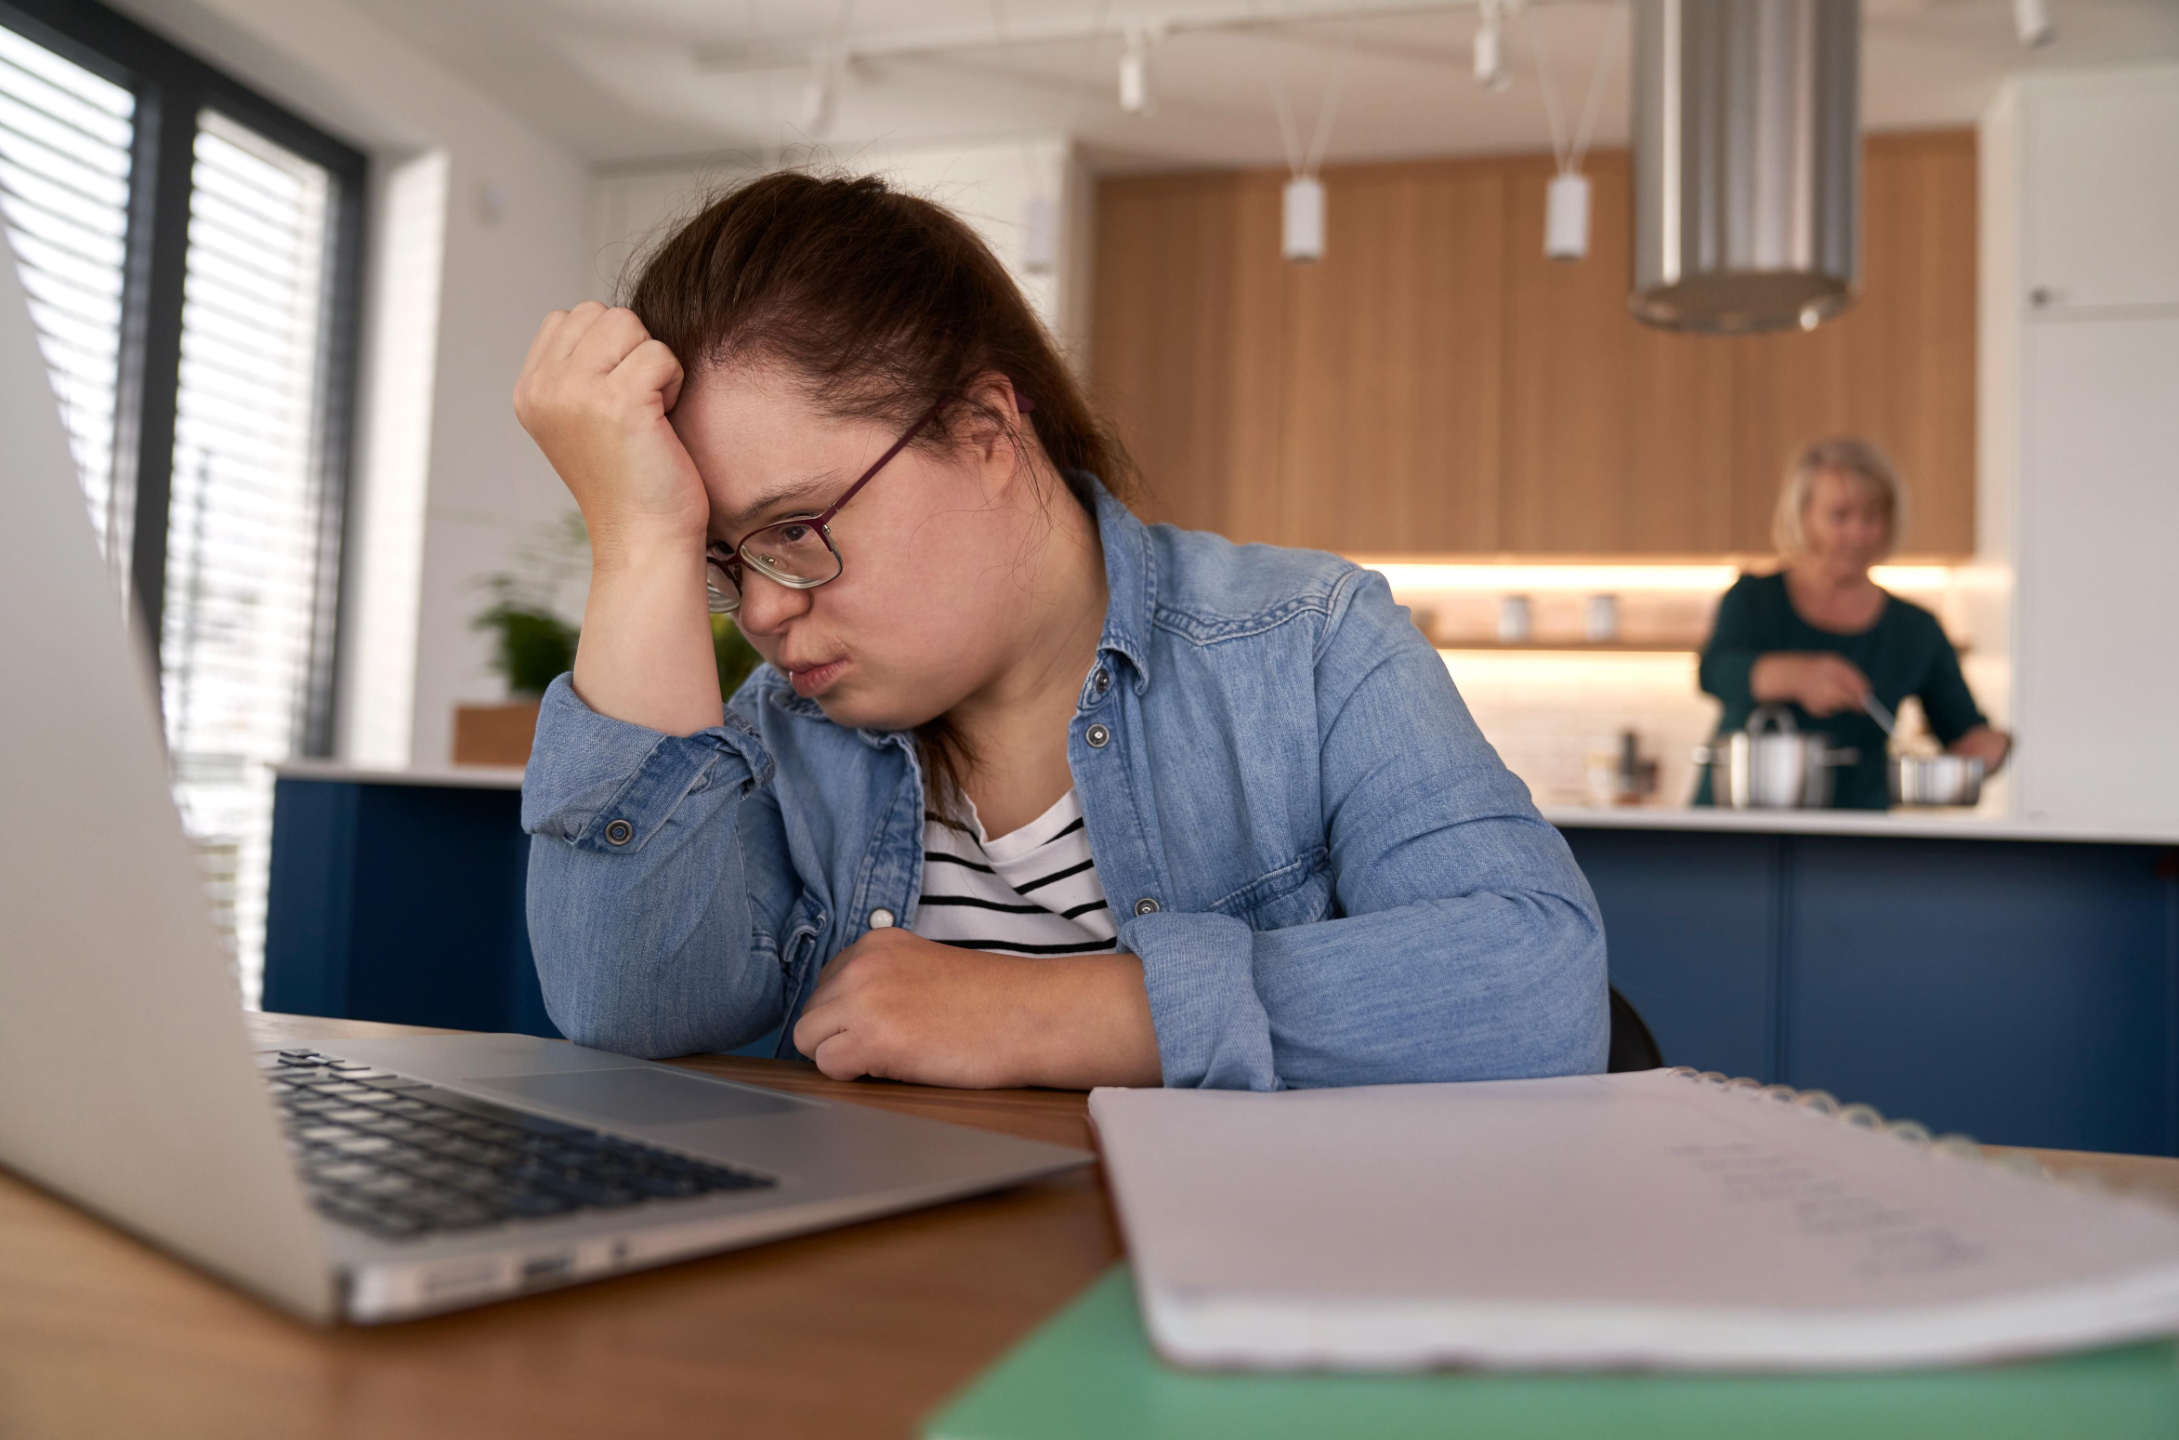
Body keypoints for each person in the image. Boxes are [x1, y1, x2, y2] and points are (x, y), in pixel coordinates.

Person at [511, 171, 1605, 1091]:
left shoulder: (1306, 645)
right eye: (721, 559)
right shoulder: (774, 734)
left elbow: (1537, 989)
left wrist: (1057, 1014)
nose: (760, 611)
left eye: (796, 528)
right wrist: (640, 540)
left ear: (985, 430)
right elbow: (622, 1005)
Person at [1696, 438, 2011, 809]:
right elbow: (1715, 672)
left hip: (1856, 830)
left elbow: (1962, 729)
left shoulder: (1915, 629)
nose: (1858, 534)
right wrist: (1796, 676)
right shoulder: (1753, 599)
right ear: (1803, 517)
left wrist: (1991, 746)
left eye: (1872, 517)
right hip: (1740, 817)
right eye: (1840, 516)